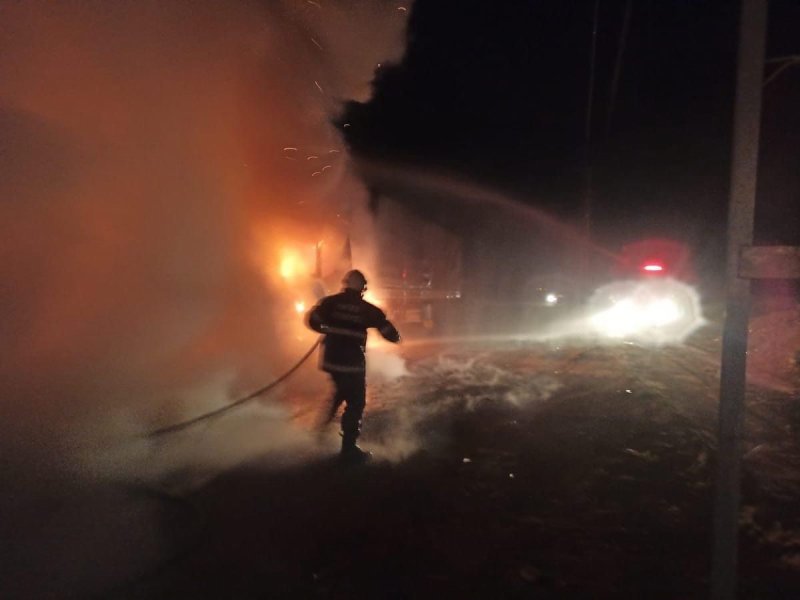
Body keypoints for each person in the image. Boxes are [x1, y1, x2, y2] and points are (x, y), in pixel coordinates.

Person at [306, 269, 400, 463]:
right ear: (363, 288)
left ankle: (319, 433)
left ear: (345, 284)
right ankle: (348, 449)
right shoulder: (367, 309)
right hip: (351, 363)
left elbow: (312, 320)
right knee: (356, 402)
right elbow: (387, 330)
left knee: (339, 392)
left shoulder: (330, 302)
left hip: (331, 360)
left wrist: (325, 328)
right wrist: (396, 337)